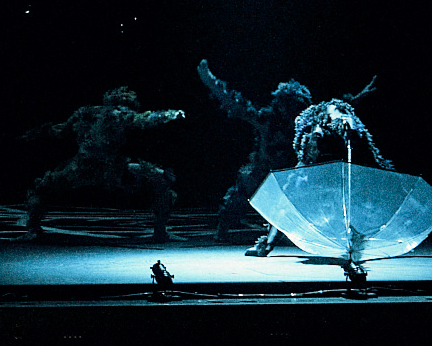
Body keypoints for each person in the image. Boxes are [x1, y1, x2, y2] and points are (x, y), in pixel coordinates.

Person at [246, 93, 432, 257]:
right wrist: (315, 141)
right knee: (285, 197)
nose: (337, 114)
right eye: (334, 112)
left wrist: (347, 125)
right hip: (318, 171)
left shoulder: (348, 124)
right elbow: (307, 151)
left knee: (405, 193)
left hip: (357, 171)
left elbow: (360, 144)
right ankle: (268, 243)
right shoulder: (314, 124)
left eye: (340, 111)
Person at [19, 87, 184, 242]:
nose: (122, 110)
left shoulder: (90, 112)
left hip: (103, 166)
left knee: (161, 179)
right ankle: (33, 229)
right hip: (91, 167)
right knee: (41, 188)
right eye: (120, 106)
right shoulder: (108, 113)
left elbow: (61, 130)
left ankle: (161, 231)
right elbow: (143, 119)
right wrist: (170, 114)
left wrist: (39, 133)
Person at [197, 59, 320, 241]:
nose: (289, 110)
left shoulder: (305, 125)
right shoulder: (267, 121)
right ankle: (224, 226)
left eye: (294, 106)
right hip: (263, 171)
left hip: (290, 173)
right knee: (241, 192)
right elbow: (236, 105)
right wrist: (210, 81)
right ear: (280, 104)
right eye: (287, 104)